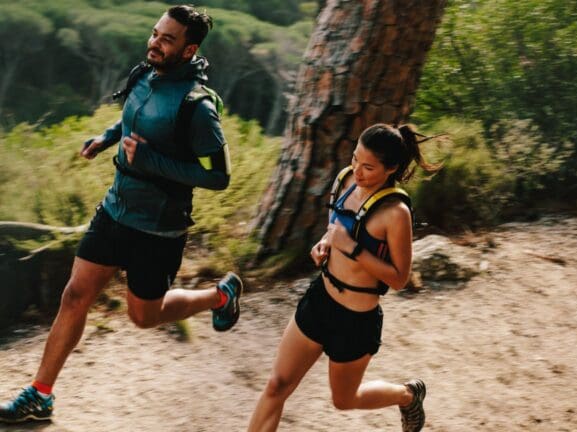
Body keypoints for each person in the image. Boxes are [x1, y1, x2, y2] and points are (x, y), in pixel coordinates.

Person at [0, 5, 243, 424]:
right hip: (115, 210)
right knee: (75, 296)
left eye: (167, 39)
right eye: (155, 33)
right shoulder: (146, 76)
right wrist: (106, 137)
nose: (155, 43)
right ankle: (40, 393)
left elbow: (218, 177)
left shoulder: (197, 107)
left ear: (189, 50)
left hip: (159, 229)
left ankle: (220, 296)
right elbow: (132, 118)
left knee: (143, 317)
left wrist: (150, 162)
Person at [247, 123, 441, 432]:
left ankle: (408, 396)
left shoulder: (395, 212)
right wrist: (324, 243)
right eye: (355, 159)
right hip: (319, 300)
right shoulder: (346, 180)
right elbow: (337, 226)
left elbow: (400, 278)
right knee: (277, 385)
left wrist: (351, 248)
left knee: (344, 399)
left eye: (368, 167)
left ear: (391, 169)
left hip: (355, 321)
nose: (358, 171)